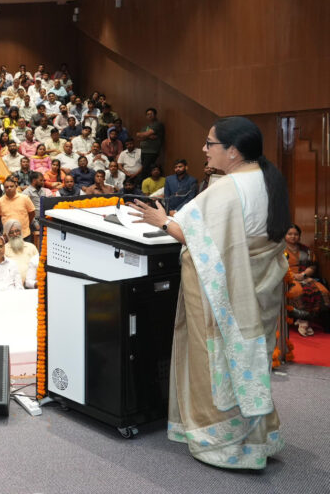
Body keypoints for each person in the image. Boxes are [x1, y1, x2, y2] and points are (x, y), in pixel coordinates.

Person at [129, 116, 290, 469]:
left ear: (232, 151)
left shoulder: (227, 188)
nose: (204, 149)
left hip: (228, 295)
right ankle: (258, 437)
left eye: (210, 143)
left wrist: (162, 222)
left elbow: (198, 239)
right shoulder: (265, 178)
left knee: (218, 362)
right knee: (251, 363)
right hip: (258, 291)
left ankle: (224, 443)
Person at [284, 224, 329, 336]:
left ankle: (310, 320)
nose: (293, 236)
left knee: (323, 291)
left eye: (296, 234)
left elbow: (312, 266)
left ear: (299, 236)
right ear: (285, 235)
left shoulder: (306, 250)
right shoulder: (280, 250)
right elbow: (277, 267)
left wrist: (303, 275)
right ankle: (301, 319)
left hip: (304, 277)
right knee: (297, 291)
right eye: (290, 234)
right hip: (287, 278)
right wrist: (292, 275)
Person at [2, 220, 39, 285]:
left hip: (32, 285)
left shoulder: (31, 247)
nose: (15, 234)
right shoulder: (4, 249)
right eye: (11, 232)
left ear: (21, 232)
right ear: (7, 234)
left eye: (17, 231)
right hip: (12, 286)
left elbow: (38, 265)